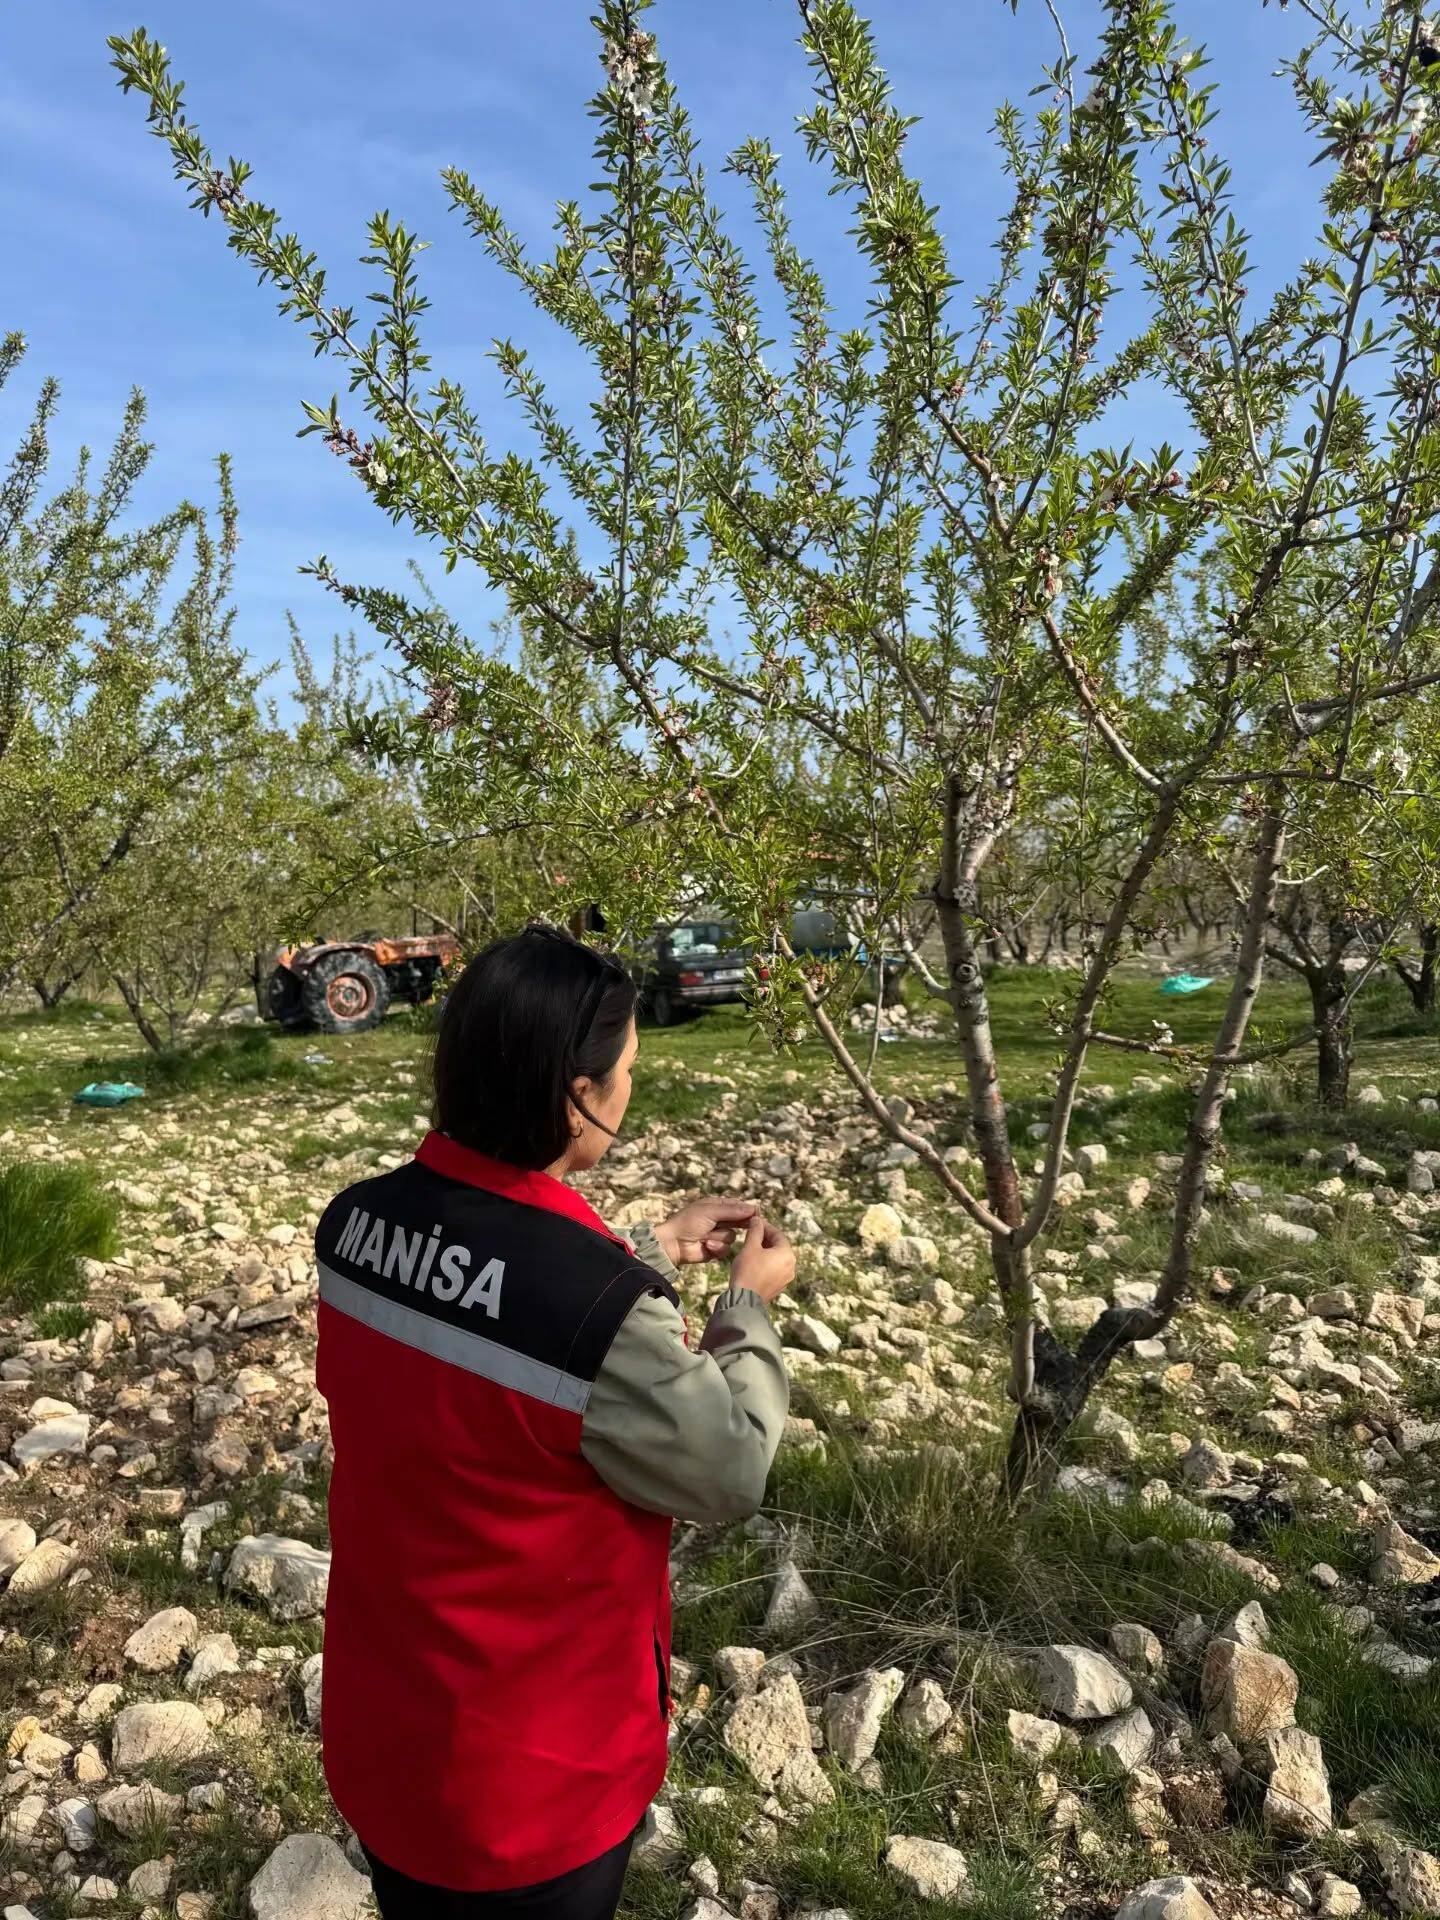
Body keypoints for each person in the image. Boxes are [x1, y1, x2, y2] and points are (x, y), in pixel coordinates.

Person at [313, 923, 794, 1920]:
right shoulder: (595, 1311)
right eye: (626, 1073)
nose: (629, 1090)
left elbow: (484, 1308)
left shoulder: (354, 1227)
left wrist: (638, 1251)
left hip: (387, 1737)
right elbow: (729, 1465)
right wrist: (745, 1306)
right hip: (531, 1793)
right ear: (578, 1097)